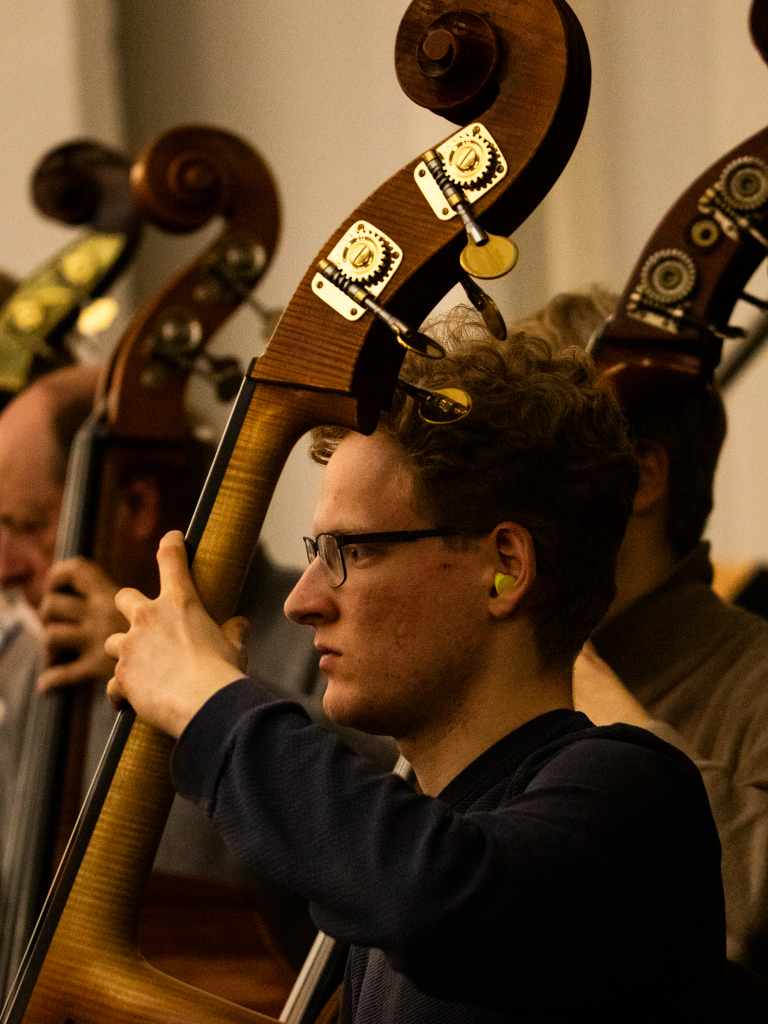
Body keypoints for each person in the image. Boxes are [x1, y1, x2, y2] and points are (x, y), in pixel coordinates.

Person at [106, 314, 726, 1023]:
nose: (302, 600)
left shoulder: (632, 793)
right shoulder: (418, 840)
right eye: (313, 552)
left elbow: (441, 895)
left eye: (353, 552)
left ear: (504, 567)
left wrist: (207, 701)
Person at [0, 365, 321, 1010]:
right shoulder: (28, 659)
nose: (5, 565)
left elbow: (390, 822)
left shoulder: (316, 639)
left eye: (28, 524)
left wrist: (187, 682)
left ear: (137, 504)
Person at [511, 288, 768, 1006]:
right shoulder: (495, 677)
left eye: (528, 465)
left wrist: (619, 721)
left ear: (642, 476)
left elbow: (751, 915)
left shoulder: (758, 681)